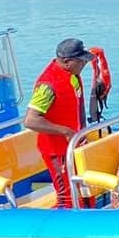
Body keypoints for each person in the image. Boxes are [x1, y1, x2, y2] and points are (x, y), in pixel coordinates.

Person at [23, 38, 93, 209]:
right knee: (67, 197)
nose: (84, 64)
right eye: (81, 61)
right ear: (67, 62)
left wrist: (81, 132)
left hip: (73, 146)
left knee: (84, 193)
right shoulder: (48, 86)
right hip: (56, 151)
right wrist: (66, 131)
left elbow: (77, 105)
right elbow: (30, 120)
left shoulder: (73, 76)